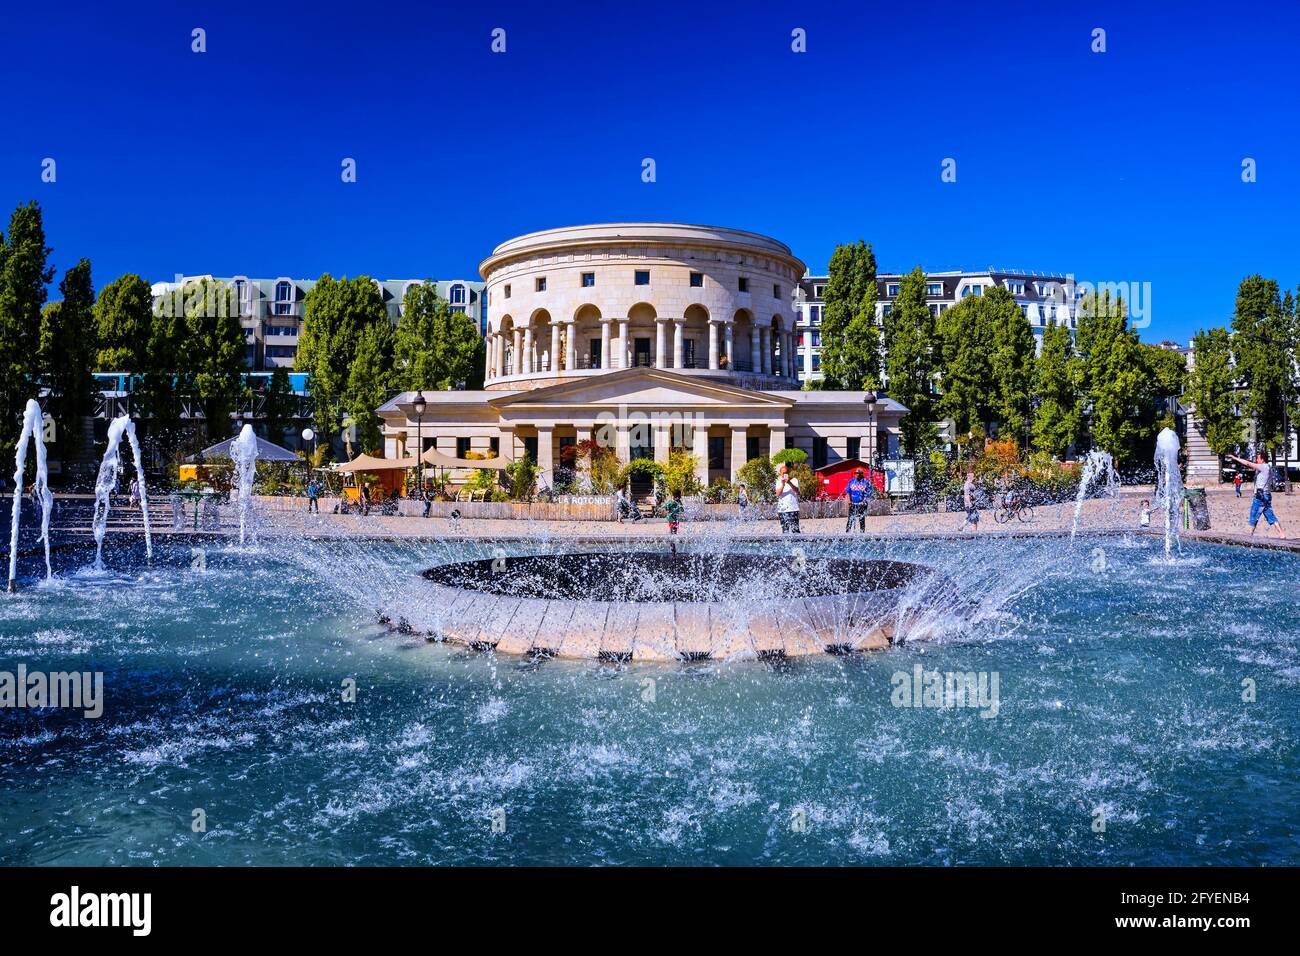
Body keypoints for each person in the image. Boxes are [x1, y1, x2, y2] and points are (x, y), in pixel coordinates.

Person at [1227, 452, 1287, 538]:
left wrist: (1235, 458)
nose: (1257, 460)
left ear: (1262, 459)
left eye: (1258, 458)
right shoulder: (1269, 467)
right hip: (1267, 495)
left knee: (1254, 515)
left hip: (1260, 496)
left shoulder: (1263, 466)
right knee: (1270, 515)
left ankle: (1249, 535)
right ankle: (1282, 534)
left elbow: (1247, 463)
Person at [774, 463, 801, 533]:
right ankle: (786, 543)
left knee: (795, 530)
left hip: (793, 508)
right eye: (783, 473)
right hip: (782, 510)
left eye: (786, 473)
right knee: (785, 530)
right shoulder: (778, 482)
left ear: (788, 473)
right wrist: (783, 484)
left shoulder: (794, 480)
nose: (784, 475)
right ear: (780, 473)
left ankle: (797, 543)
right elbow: (778, 494)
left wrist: (789, 483)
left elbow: (797, 491)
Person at [845, 467, 870, 533]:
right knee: (850, 518)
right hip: (852, 503)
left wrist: (863, 501)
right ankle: (847, 532)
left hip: (862, 504)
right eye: (855, 473)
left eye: (858, 473)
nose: (856, 475)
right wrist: (849, 500)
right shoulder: (852, 481)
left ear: (861, 474)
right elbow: (848, 491)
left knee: (861, 519)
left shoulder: (865, 482)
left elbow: (868, 493)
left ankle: (862, 532)